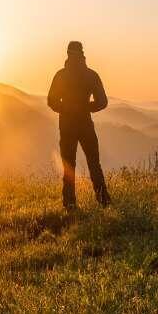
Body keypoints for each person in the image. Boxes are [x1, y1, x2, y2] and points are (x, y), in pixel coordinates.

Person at [47, 41, 111, 210]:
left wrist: (65, 108)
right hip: (85, 124)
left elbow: (51, 101)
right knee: (94, 163)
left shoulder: (61, 75)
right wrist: (85, 107)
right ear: (82, 53)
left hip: (66, 124)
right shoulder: (91, 75)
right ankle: (103, 200)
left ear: (67, 54)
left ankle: (70, 204)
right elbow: (102, 102)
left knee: (69, 164)